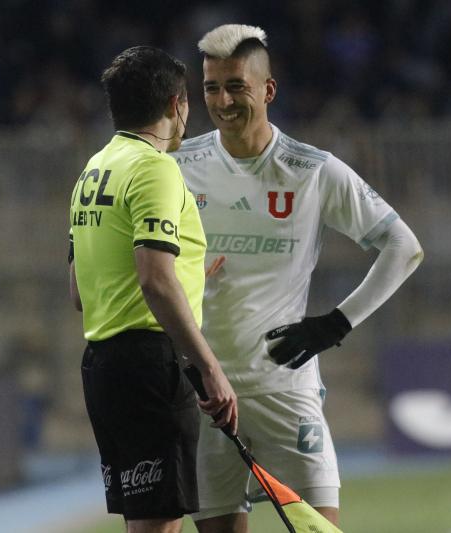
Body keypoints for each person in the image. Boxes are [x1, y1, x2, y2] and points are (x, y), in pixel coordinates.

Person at [173, 24, 424, 532]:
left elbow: (404, 246)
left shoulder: (312, 170)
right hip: (203, 394)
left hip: (284, 390)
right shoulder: (178, 166)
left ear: (268, 90)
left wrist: (335, 324)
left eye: (236, 86)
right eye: (211, 88)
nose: (223, 101)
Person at [68, 46, 238, 533]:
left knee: (143, 522)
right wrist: (210, 369)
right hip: (150, 367)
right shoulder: (155, 167)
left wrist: (188, 278)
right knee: (159, 525)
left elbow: (80, 291)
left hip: (103, 368)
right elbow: (155, 279)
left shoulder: (93, 171)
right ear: (175, 104)